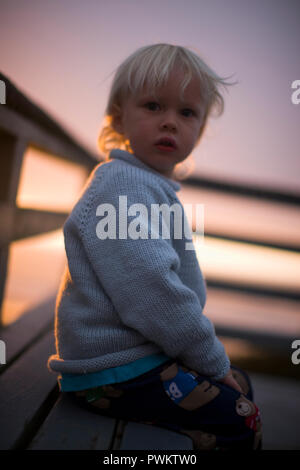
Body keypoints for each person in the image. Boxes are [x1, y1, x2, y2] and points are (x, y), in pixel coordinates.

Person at [48, 44, 262, 450]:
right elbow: (154, 293)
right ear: (118, 116)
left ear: (199, 127)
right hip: (115, 370)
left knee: (242, 386)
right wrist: (212, 361)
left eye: (186, 113)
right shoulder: (120, 187)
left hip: (139, 357)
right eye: (152, 106)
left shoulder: (148, 185)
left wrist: (211, 362)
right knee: (243, 420)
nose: (169, 123)